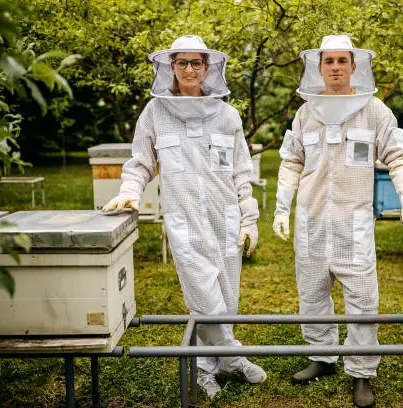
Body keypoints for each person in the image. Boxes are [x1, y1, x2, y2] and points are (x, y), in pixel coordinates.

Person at [272, 35, 403, 408]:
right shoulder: (305, 112)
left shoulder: (373, 110)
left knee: (362, 300)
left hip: (354, 221)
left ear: (354, 66)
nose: (335, 68)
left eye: (342, 61)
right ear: (318, 66)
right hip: (311, 220)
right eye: (328, 61)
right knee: (312, 295)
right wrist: (282, 208)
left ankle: (362, 372)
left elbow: (398, 156)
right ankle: (323, 357)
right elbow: (291, 161)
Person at [102, 34, 266, 399]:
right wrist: (129, 191)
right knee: (205, 299)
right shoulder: (155, 112)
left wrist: (248, 218)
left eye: (196, 63)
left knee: (228, 298)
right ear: (170, 68)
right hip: (184, 219)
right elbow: (141, 162)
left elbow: (241, 170)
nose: (189, 69)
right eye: (182, 63)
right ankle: (227, 357)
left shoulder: (227, 115)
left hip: (224, 218)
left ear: (208, 67)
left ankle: (212, 364)